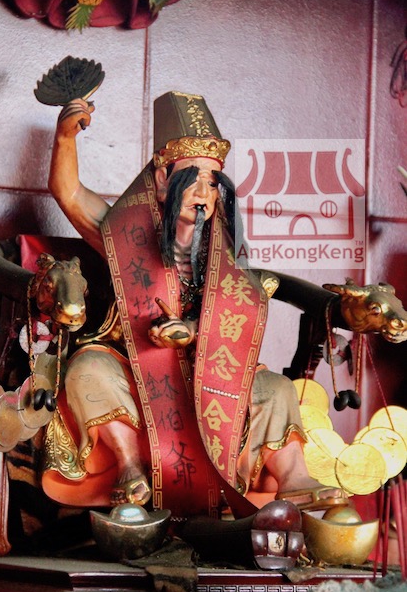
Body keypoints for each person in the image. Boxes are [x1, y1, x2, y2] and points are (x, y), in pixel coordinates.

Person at [44, 91, 346, 547]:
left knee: (276, 389)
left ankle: (294, 478)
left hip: (206, 378)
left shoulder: (221, 254)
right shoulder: (125, 234)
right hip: (133, 373)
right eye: (191, 179)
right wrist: (66, 139)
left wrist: (194, 334)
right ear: (162, 180)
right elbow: (68, 193)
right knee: (88, 369)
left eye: (212, 182)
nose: (204, 194)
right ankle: (129, 467)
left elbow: (240, 316)